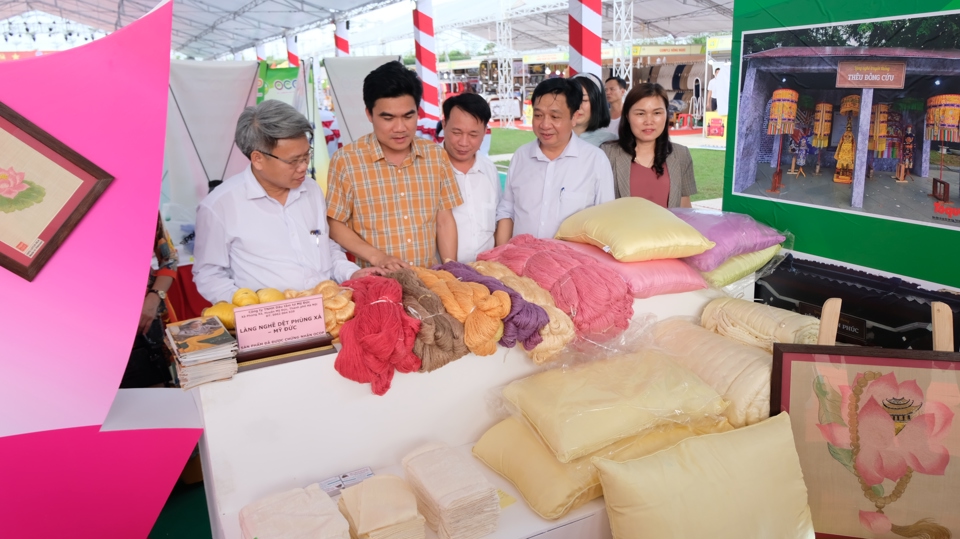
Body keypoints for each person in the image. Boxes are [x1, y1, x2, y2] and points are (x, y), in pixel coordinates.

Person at [193, 100, 377, 305]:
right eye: (293, 161)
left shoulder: (311, 190)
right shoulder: (219, 206)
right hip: (270, 324)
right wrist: (251, 309)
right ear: (258, 159)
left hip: (327, 310)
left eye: (307, 156)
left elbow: (325, 247)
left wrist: (351, 273)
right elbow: (209, 275)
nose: (303, 167)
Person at [326, 61, 462, 270]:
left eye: (408, 116)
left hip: (428, 279)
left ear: (418, 111)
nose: (400, 128)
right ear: (369, 114)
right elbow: (335, 223)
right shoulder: (346, 161)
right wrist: (378, 257)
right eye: (388, 118)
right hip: (376, 284)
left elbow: (444, 219)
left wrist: (450, 268)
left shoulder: (435, 155)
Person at [495, 78, 615, 243]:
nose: (545, 124)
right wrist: (500, 256)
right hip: (520, 262)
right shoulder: (521, 156)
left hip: (572, 264)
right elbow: (507, 211)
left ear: (575, 117)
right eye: (538, 115)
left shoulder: (595, 161)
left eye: (554, 116)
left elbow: (605, 222)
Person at [601, 83, 697, 208]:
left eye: (657, 113)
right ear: (627, 116)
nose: (649, 121)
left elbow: (685, 207)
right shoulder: (607, 154)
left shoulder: (681, 154)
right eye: (640, 114)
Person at [119, 214, 179, 388]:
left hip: (144, 317)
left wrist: (153, 299)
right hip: (93, 323)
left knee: (155, 394)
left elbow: (169, 258)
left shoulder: (141, 201)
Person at [442, 93, 500, 262]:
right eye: (457, 132)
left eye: (473, 135)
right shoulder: (428, 169)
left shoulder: (489, 170)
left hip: (486, 273)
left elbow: (497, 221)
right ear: (444, 125)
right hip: (442, 276)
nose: (464, 142)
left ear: (484, 132)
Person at [570, 74, 617, 147]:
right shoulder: (554, 138)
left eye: (584, 100)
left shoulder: (610, 141)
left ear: (597, 104)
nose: (578, 106)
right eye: (573, 99)